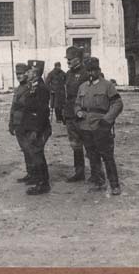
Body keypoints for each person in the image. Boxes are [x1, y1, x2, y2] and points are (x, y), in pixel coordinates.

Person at [76, 57, 124, 195]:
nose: (91, 73)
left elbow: (117, 104)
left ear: (99, 70)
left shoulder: (107, 86)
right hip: (86, 126)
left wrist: (107, 120)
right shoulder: (83, 87)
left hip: (101, 126)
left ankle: (115, 185)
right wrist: (78, 111)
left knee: (107, 156)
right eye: (88, 71)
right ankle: (99, 182)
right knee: (92, 156)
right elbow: (77, 103)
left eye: (93, 70)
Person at [19, 60, 52, 194]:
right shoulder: (33, 86)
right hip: (32, 127)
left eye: (30, 71)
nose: (27, 73)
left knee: (37, 155)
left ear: (36, 72)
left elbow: (43, 112)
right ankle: (41, 181)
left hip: (38, 128)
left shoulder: (41, 88)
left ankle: (42, 184)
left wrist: (36, 131)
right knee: (36, 154)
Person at [62, 46, 91, 182]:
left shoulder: (86, 73)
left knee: (90, 144)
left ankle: (96, 173)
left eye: (70, 59)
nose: (67, 62)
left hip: (82, 113)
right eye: (67, 59)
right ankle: (79, 172)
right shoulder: (68, 74)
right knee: (75, 145)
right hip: (70, 113)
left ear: (78, 59)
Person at [9, 62, 33, 184]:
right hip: (18, 123)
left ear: (26, 74)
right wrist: (11, 123)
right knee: (25, 149)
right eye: (17, 74)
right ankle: (30, 173)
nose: (19, 76)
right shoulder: (18, 89)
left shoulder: (31, 87)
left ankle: (35, 175)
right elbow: (13, 107)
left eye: (21, 73)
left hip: (27, 123)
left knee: (30, 149)